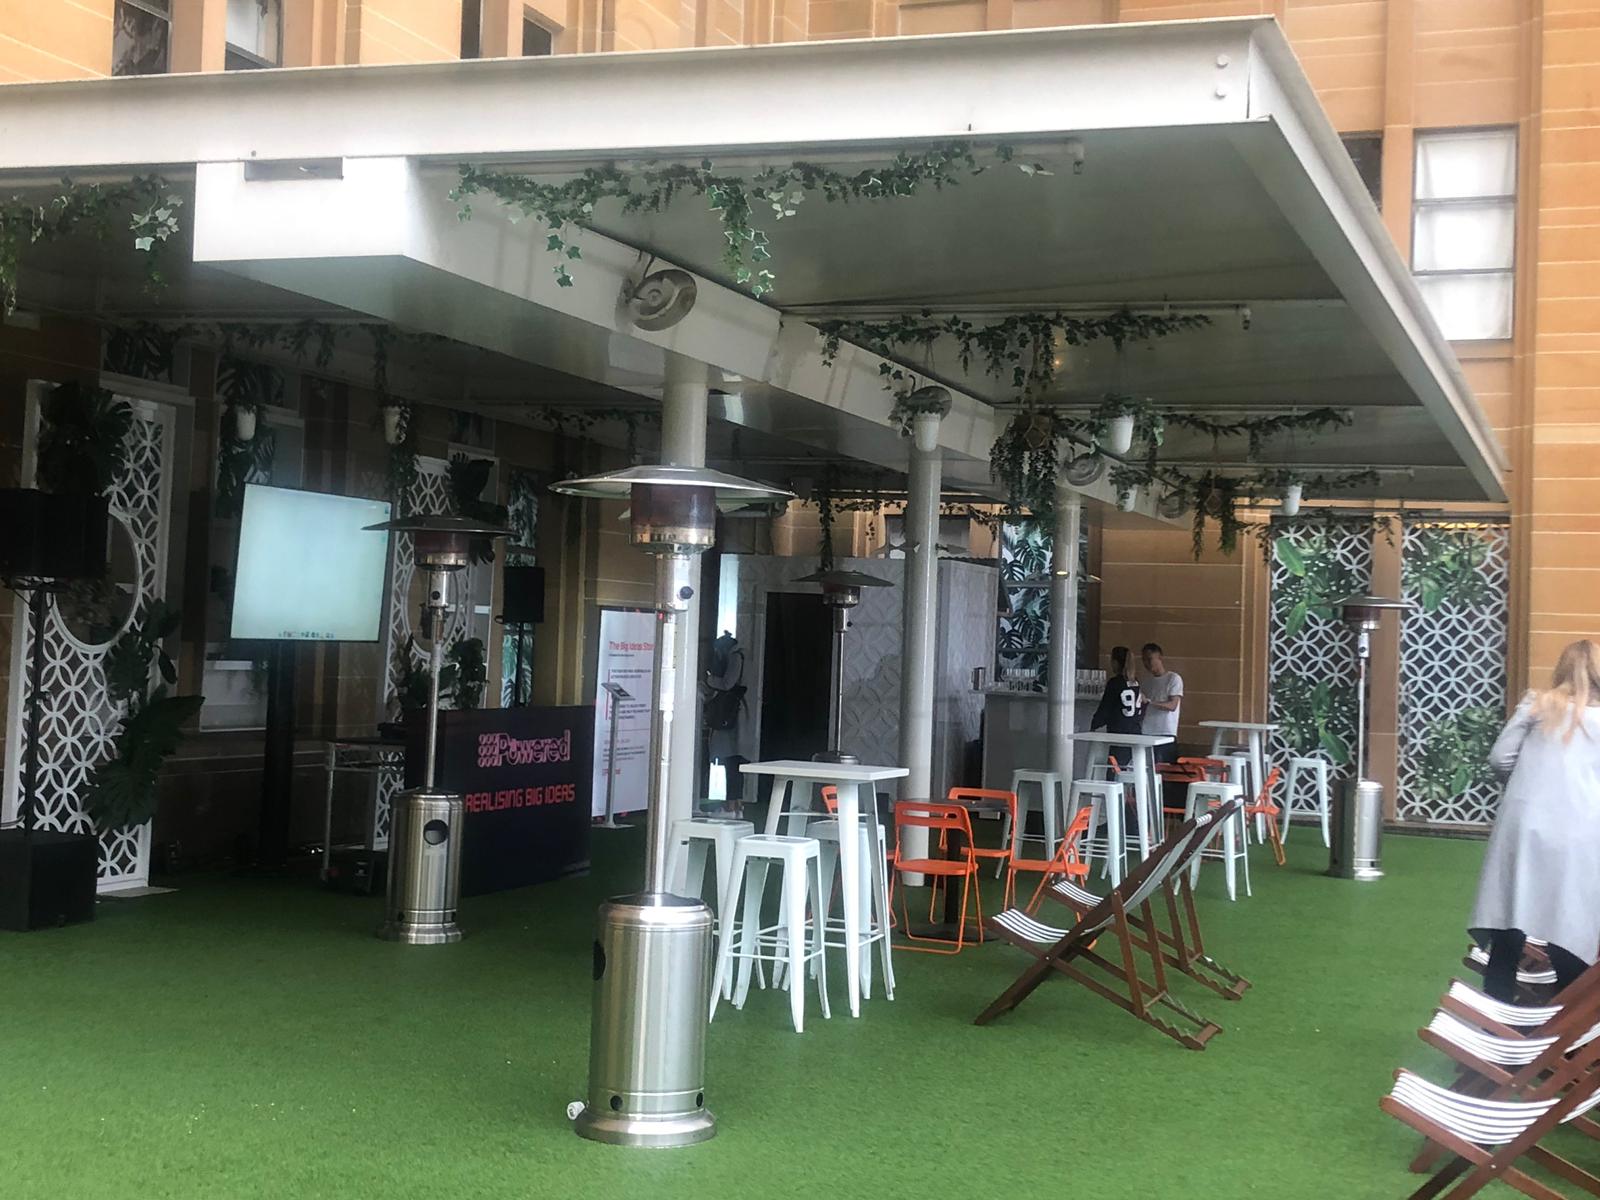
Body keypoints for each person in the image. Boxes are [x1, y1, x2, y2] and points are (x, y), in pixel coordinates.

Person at [1470, 639, 1600, 1001]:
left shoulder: (1537, 705)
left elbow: (1500, 759)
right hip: (1583, 828)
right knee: (1569, 919)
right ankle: (1567, 1024)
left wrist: (1529, 781)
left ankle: (1495, 1016)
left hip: (1524, 822)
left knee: (1510, 921)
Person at [1090, 646, 1143, 769]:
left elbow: (1105, 708)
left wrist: (1094, 724)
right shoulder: (1135, 682)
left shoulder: (1114, 683)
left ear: (1114, 662)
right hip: (1135, 731)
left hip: (1119, 732)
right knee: (1129, 769)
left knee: (1115, 768)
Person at [1140, 642, 1183, 765]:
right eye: (1144, 660)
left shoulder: (1173, 678)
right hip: (1147, 731)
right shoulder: (1146, 682)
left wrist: (1150, 702)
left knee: (1167, 769)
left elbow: (1172, 705)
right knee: (1148, 767)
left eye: (1149, 659)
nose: (1147, 664)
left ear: (1159, 658)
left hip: (1166, 731)